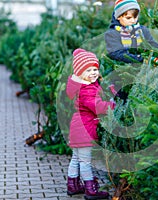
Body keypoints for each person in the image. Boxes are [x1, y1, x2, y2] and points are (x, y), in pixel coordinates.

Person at [65, 48, 115, 199]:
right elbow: (97, 106)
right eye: (88, 70)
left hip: (78, 128)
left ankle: (72, 185)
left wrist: (112, 90)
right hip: (84, 130)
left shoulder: (87, 85)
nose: (93, 72)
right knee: (85, 161)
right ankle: (90, 189)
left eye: (95, 69)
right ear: (80, 73)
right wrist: (113, 105)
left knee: (76, 158)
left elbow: (100, 90)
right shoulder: (86, 89)